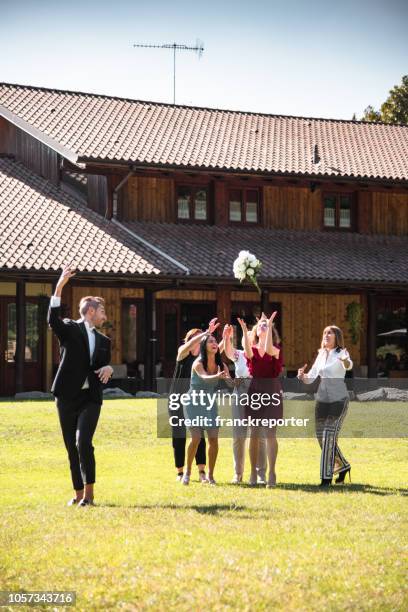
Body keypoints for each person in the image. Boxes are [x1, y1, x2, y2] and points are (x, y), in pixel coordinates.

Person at [48, 266, 113, 506]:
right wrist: (60, 286)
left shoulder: (105, 341)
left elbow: (104, 367)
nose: (104, 315)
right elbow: (52, 319)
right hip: (65, 397)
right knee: (70, 447)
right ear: (91, 311)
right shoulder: (69, 329)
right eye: (102, 311)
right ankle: (77, 494)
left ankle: (89, 495)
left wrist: (110, 369)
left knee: (83, 442)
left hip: (91, 398)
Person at [298, 325, 353, 486]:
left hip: (339, 400)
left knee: (329, 435)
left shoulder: (342, 352)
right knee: (321, 438)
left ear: (337, 337)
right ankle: (343, 467)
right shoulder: (321, 354)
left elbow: (348, 365)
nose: (326, 335)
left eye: (330, 333)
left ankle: (326, 479)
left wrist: (344, 361)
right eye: (324, 333)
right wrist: (303, 376)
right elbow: (312, 376)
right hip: (322, 401)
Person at [170, 318, 219, 483]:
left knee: (199, 435)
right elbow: (188, 345)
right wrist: (205, 332)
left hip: (198, 400)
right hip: (178, 397)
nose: (200, 341)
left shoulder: (204, 360)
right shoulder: (182, 353)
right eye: (196, 338)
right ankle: (180, 471)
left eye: (202, 339)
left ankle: (202, 470)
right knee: (179, 435)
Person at [238, 312, 283, 488]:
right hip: (255, 391)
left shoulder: (276, 348)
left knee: (271, 434)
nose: (263, 326)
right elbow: (248, 352)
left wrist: (269, 325)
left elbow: (270, 349)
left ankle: (271, 472)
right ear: (255, 332)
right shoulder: (253, 350)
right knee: (254, 434)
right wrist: (243, 329)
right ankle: (252, 473)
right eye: (260, 325)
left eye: (267, 325)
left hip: (272, 391)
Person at [182, 334, 232, 485]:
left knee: (214, 440)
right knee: (196, 438)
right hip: (193, 403)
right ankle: (188, 472)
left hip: (210, 403)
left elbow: (230, 383)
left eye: (216, 341)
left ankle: (210, 475)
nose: (215, 343)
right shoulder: (198, 363)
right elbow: (205, 378)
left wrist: (242, 381)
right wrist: (218, 376)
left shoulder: (221, 364)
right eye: (211, 341)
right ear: (204, 346)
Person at [221, 323, 267, 484]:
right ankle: (237, 473)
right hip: (239, 391)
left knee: (259, 435)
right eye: (244, 336)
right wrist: (227, 337)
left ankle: (260, 474)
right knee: (238, 436)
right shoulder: (239, 355)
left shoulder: (260, 354)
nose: (246, 338)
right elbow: (228, 351)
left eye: (249, 335)